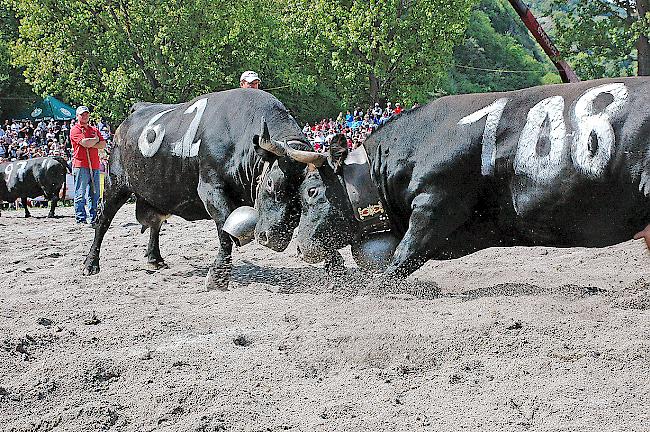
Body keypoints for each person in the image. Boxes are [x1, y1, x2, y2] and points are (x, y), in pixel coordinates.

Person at [70, 105, 106, 226]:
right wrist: (94, 141)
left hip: (94, 165)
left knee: (95, 193)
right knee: (80, 193)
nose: (85, 116)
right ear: (77, 116)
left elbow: (103, 144)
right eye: (82, 114)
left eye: (86, 114)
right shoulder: (75, 129)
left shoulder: (94, 129)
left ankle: (94, 217)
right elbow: (85, 143)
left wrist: (91, 142)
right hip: (80, 165)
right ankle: (81, 218)